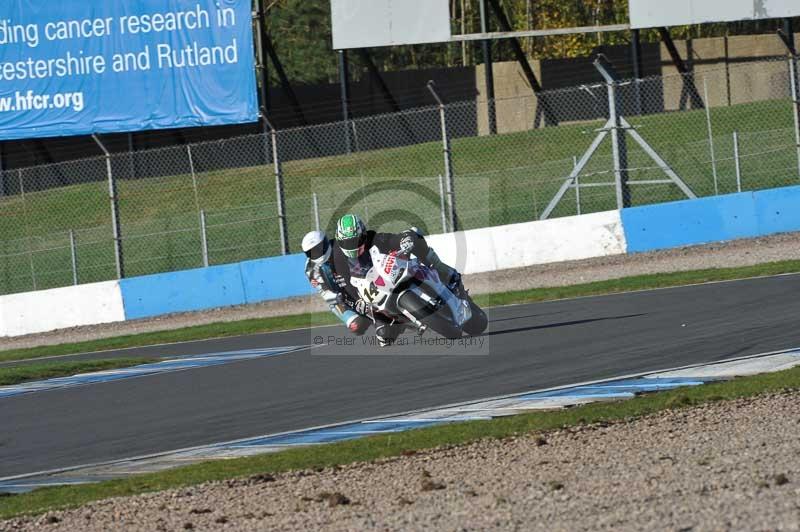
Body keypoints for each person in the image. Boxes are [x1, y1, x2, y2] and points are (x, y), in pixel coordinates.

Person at [332, 213, 465, 346]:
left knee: (414, 236)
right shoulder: (338, 258)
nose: (352, 245)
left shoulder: (373, 238)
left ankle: (441, 269)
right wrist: (357, 302)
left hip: (392, 273)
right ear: (339, 240)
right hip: (373, 292)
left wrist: (403, 240)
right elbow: (345, 288)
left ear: (364, 235)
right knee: (384, 337)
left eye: (356, 240)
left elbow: (391, 240)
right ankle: (399, 323)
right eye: (347, 242)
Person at [301, 230, 371, 336]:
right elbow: (325, 292)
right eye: (312, 252)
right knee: (356, 325)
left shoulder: (340, 246)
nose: (317, 253)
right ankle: (363, 318)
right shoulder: (310, 269)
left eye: (319, 249)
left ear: (325, 242)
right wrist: (342, 298)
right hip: (341, 296)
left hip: (360, 283)